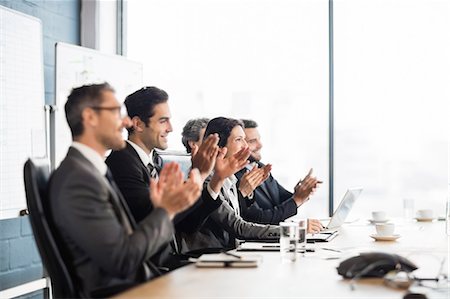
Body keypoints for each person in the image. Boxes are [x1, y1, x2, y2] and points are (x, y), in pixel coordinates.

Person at [48, 83, 201, 297]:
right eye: (116, 112)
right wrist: (165, 211)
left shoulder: (91, 171)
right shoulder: (78, 180)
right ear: (90, 117)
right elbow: (122, 259)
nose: (127, 122)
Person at [106, 87, 222, 269]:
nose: (171, 128)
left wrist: (213, 181)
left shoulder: (152, 163)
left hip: (168, 261)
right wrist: (198, 174)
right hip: (150, 269)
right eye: (163, 121)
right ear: (138, 124)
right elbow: (152, 216)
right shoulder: (122, 162)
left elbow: (188, 225)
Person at [179, 117, 283, 253]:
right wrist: (287, 232)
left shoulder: (231, 178)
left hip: (230, 252)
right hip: (208, 258)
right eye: (239, 139)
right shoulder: (206, 180)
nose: (246, 146)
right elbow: (239, 227)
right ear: (220, 146)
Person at [238, 119, 322, 230]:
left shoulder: (261, 167)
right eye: (252, 141)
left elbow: (281, 200)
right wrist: (297, 202)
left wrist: (303, 192)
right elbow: (258, 219)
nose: (260, 145)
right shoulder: (235, 177)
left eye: (259, 139)